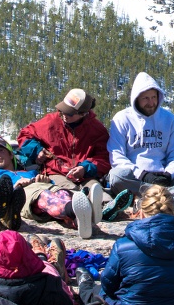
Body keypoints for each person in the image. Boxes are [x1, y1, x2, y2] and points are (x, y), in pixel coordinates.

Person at [107, 72, 174, 214]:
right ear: (136, 98)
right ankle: (168, 202)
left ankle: (147, 203)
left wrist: (169, 174)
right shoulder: (122, 119)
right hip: (137, 179)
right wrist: (142, 174)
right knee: (116, 176)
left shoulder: (169, 119)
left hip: (163, 178)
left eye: (154, 97)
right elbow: (116, 157)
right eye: (145, 98)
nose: (151, 103)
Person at [16, 89, 110, 239]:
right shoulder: (51, 121)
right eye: (63, 110)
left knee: (95, 188)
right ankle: (84, 208)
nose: (64, 115)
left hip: (85, 174)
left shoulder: (96, 130)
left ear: (83, 113)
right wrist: (37, 151)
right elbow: (24, 135)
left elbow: (103, 157)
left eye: (70, 113)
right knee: (68, 189)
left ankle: (106, 206)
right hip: (56, 171)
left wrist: (85, 168)